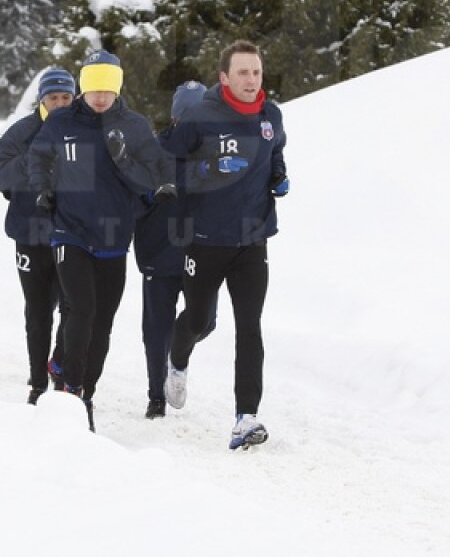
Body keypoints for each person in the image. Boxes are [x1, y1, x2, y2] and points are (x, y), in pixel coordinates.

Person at [28, 50, 172, 431]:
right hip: (70, 232)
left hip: (113, 237)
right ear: (83, 87)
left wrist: (126, 163)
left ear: (117, 88)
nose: (101, 96)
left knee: (103, 323)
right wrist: (42, 189)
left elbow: (153, 177)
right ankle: (71, 391)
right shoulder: (61, 121)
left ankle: (86, 391)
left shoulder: (134, 126)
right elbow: (38, 159)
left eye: (108, 89)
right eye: (94, 88)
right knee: (82, 309)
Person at [161, 40, 289, 449]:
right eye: (242, 73)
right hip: (206, 238)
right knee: (199, 321)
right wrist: (207, 167)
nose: (252, 80)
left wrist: (279, 175)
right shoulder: (199, 117)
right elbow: (165, 167)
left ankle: (245, 418)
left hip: (252, 238)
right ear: (224, 77)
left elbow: (276, 151)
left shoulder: (271, 115)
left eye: (256, 72)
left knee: (249, 326)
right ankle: (177, 362)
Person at [0, 67, 77, 405]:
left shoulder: (85, 131)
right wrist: (34, 161)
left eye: (66, 97)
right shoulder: (23, 131)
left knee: (74, 307)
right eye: (53, 97)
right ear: (42, 100)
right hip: (29, 234)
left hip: (72, 234)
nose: (60, 103)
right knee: (38, 312)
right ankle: (38, 383)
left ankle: (59, 365)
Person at [133, 80, 217, 420]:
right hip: (159, 252)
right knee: (156, 331)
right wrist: (149, 195)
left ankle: (177, 357)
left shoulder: (217, 154)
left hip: (203, 255)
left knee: (205, 323)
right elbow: (133, 198)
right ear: (176, 117)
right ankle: (157, 397)